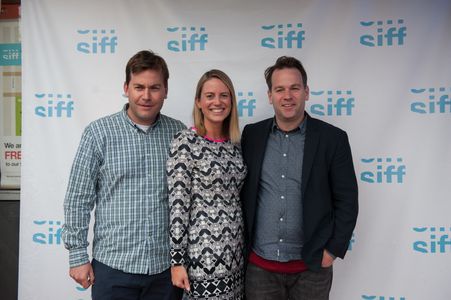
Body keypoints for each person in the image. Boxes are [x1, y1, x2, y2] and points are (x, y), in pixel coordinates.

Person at [62, 50, 186, 300]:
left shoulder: (179, 133)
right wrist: (77, 256)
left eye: (155, 87)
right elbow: (78, 197)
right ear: (126, 87)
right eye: (139, 87)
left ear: (166, 91)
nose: (146, 96)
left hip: (165, 271)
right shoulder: (98, 133)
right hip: (113, 269)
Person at [240, 56, 358, 300]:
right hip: (260, 270)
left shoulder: (332, 139)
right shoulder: (252, 136)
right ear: (269, 95)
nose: (287, 96)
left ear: (306, 91)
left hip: (311, 270)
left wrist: (332, 250)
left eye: (294, 88)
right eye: (279, 89)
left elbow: (347, 200)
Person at [167, 69, 247, 299]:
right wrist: (177, 261)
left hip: (236, 255)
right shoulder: (186, 142)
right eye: (210, 95)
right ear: (199, 102)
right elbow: (178, 205)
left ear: (231, 101)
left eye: (224, 95)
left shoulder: (235, 145)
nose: (217, 102)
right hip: (203, 258)